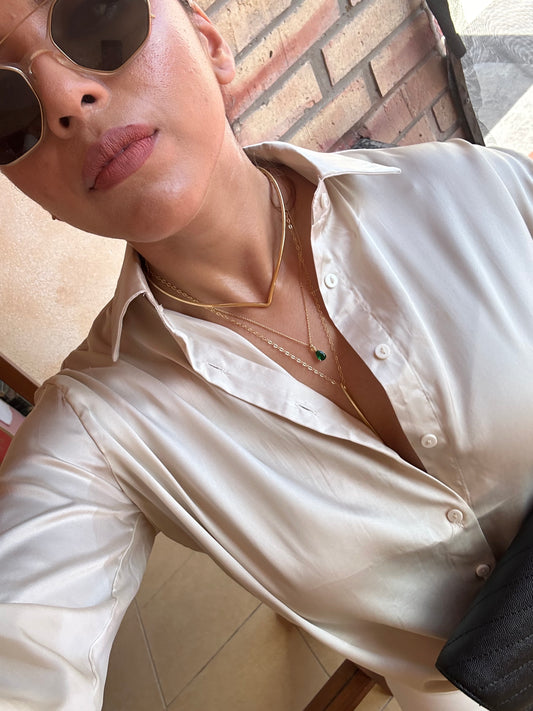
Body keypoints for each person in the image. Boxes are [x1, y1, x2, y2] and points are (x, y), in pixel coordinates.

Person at [0, 0, 531, 709]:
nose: (68, 100)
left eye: (99, 19)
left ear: (209, 41)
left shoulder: (473, 187)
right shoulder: (97, 428)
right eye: (5, 108)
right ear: (27, 188)